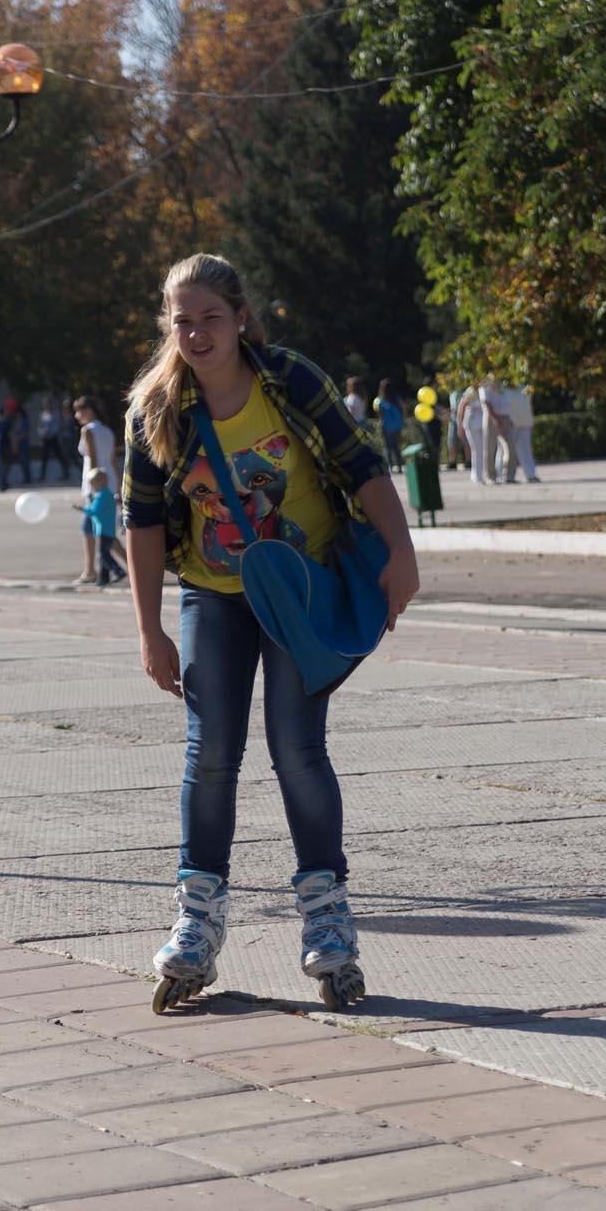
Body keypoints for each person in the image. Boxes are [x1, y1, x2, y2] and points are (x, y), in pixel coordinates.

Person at [123, 254, 420, 1007]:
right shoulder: (154, 409)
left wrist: (402, 555)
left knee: (298, 747)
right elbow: (144, 523)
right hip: (213, 596)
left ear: (241, 317)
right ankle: (197, 922)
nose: (194, 333)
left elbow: (362, 465)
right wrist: (150, 629)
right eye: (180, 320)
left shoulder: (290, 380)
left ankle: (327, 922)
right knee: (211, 751)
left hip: (302, 589)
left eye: (209, 317)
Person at [74, 395, 126, 584]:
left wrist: (96, 488)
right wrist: (118, 487)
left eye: (79, 411)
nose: (77, 415)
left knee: (89, 528)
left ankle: (90, 571)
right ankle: (131, 564)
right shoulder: (107, 431)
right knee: (104, 531)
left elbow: (93, 458)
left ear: (89, 410)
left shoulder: (87, 430)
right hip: (110, 482)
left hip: (95, 485)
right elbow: (112, 462)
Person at [80, 463, 123, 586]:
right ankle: (103, 579)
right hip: (108, 530)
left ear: (97, 483)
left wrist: (82, 509)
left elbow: (94, 512)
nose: (92, 488)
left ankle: (118, 571)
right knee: (103, 554)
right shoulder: (109, 494)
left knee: (103, 555)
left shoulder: (101, 496)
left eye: (92, 485)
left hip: (103, 530)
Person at [497, 383, 540, 484]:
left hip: (524, 422)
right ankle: (500, 475)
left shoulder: (526, 387)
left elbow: (528, 404)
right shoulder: (503, 388)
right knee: (504, 451)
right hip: (510, 423)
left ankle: (531, 475)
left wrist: (531, 420)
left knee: (526, 451)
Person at [374, 378, 407, 476]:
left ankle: (390, 467)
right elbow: (404, 408)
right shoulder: (396, 398)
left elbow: (379, 414)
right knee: (396, 447)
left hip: (387, 426)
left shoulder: (380, 400)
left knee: (387, 447)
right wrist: (403, 420)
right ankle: (400, 466)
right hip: (397, 425)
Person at [38, 400, 73, 481]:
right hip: (45, 438)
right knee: (43, 458)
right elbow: (40, 426)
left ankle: (66, 473)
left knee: (60, 456)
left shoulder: (56, 414)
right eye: (46, 405)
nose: (48, 406)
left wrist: (51, 434)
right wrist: (43, 433)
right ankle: (42, 475)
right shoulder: (42, 415)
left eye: (49, 404)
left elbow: (57, 425)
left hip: (53, 438)